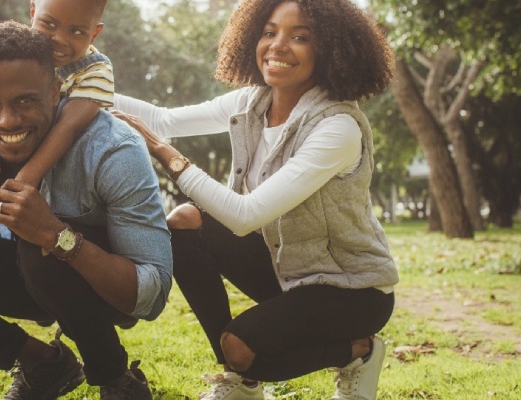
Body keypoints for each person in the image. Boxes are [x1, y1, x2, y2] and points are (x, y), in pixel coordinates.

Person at [112, 0, 398, 399]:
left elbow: (245, 216)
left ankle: (358, 350)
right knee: (184, 222)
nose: (278, 45)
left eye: (300, 37)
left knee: (243, 348)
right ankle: (239, 381)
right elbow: (162, 120)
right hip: (288, 269)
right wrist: (78, 86)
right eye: (269, 32)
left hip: (351, 292)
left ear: (331, 49)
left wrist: (170, 158)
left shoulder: (337, 128)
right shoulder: (251, 103)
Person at [0, 20, 172, 400]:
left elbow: (151, 295)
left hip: (101, 287)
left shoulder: (113, 148)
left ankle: (117, 380)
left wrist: (58, 237)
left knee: (41, 251)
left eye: (25, 100)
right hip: (26, 274)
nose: (6, 121)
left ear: (56, 92)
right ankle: (45, 364)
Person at [0, 0, 115, 232]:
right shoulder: (15, 53)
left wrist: (23, 183)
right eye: (49, 24)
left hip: (64, 173)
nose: (59, 39)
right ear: (33, 11)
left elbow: (68, 126)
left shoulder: (95, 72)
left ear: (94, 33)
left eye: (76, 31)